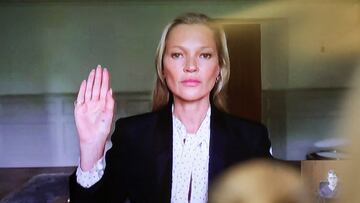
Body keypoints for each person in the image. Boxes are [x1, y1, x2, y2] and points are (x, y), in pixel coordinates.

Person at [69, 12, 272, 203]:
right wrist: (90, 149)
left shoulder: (251, 139)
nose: (190, 66)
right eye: (177, 55)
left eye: (204, 55)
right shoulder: (133, 136)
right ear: (163, 68)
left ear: (219, 68)